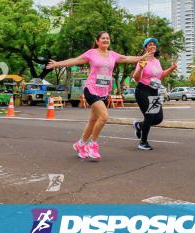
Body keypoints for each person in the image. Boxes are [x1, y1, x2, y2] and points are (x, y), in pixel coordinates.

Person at [46, 31, 149, 161]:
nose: (106, 40)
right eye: (103, 38)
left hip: (104, 91)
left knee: (93, 121)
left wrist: (142, 57)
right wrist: (57, 64)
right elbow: (75, 60)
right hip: (91, 89)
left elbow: (127, 58)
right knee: (104, 117)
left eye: (107, 38)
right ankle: (92, 144)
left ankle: (81, 144)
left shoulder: (112, 55)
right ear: (97, 41)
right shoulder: (91, 53)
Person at [131, 38, 177, 150]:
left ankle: (139, 125)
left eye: (154, 44)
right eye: (150, 44)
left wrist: (172, 68)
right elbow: (136, 78)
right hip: (143, 90)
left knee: (158, 118)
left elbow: (160, 75)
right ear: (145, 47)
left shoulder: (156, 61)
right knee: (150, 115)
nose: (152, 46)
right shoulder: (142, 60)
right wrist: (141, 68)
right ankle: (143, 142)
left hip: (154, 90)